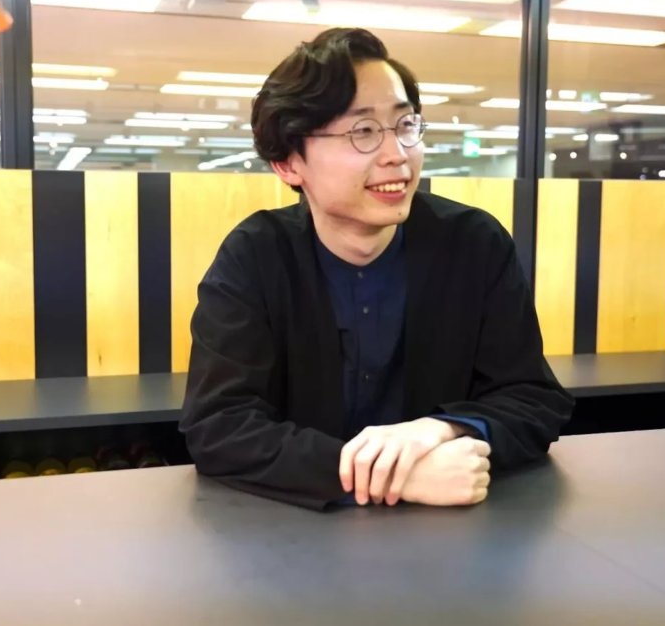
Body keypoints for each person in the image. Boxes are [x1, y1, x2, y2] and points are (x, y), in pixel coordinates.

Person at [179, 27, 574, 511]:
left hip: (453, 532)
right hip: (296, 532)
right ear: (288, 163)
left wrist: (442, 428)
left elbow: (534, 397)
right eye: (362, 132)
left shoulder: (474, 243)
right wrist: (392, 479)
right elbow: (218, 426)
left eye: (405, 126)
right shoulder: (255, 257)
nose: (397, 156)